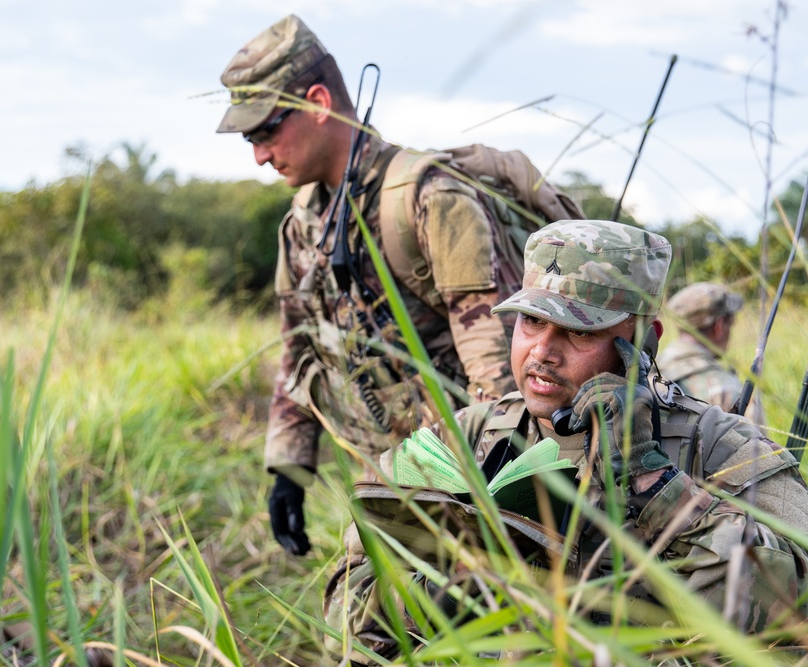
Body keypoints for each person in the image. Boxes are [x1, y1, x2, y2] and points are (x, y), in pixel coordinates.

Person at [322, 220, 808, 663]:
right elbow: (345, 596)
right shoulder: (464, 437)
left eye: (579, 332)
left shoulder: (721, 445)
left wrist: (654, 483)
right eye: (532, 321)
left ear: (643, 341)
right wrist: (438, 597)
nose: (542, 351)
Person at [216, 14, 582, 555]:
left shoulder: (428, 199)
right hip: (389, 473)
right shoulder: (301, 225)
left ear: (318, 103)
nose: (260, 155)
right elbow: (299, 349)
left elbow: (497, 358)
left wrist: (505, 487)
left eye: (266, 130)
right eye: (250, 138)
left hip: (461, 470)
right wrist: (289, 467)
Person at [657, 281, 764, 425]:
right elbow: (758, 447)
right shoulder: (729, 389)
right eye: (731, 322)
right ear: (719, 326)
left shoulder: (647, 371)